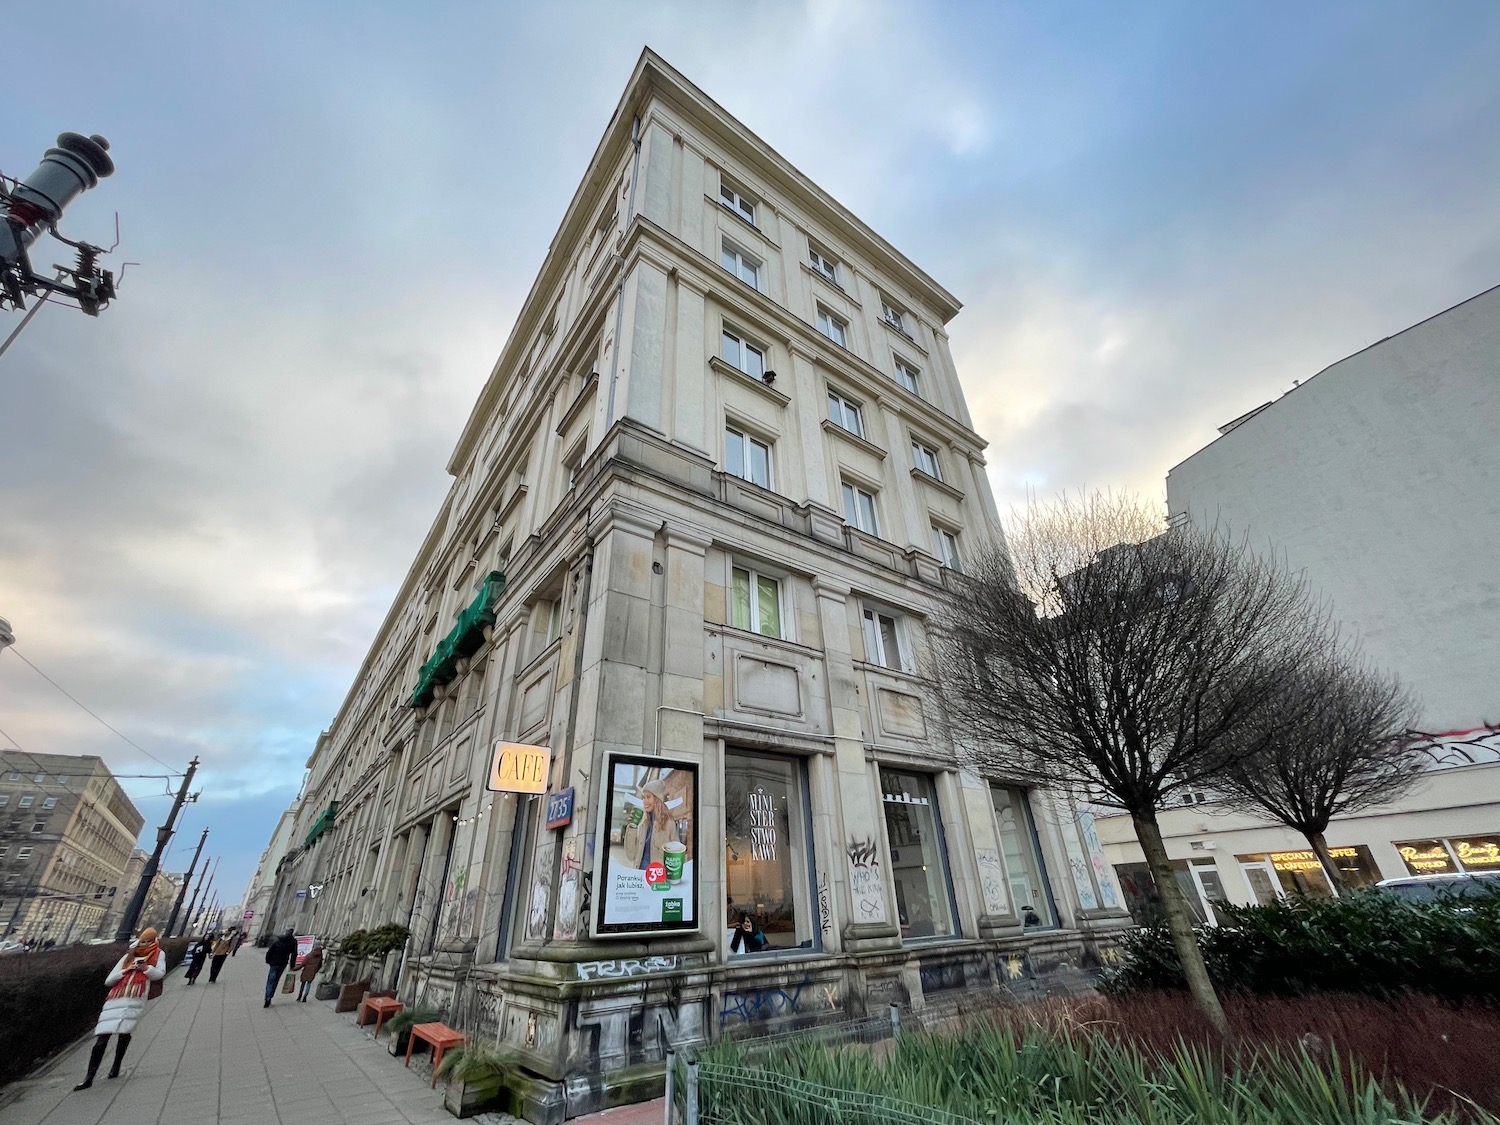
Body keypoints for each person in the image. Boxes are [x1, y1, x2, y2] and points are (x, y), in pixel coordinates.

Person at [74, 927, 165, 1090]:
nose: (144, 944)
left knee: (124, 1033)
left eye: (148, 941)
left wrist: (146, 969)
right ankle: (89, 1077)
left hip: (135, 997)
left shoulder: (159, 954)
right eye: (142, 940)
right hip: (116, 997)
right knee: (102, 1038)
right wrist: (126, 970)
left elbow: (159, 974)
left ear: (154, 941)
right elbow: (109, 980)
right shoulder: (128, 956)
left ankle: (116, 1066)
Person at [621, 780, 672, 869]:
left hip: (657, 879)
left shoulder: (669, 824)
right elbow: (630, 855)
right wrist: (632, 827)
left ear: (657, 799)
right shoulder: (642, 823)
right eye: (643, 798)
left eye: (648, 797)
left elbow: (676, 858)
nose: (644, 801)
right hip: (640, 877)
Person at [264, 929, 297, 1007]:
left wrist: (268, 961)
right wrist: (292, 966)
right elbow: (294, 954)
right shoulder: (292, 942)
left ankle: (267, 997)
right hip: (282, 964)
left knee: (270, 981)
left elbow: (270, 952)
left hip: (274, 964)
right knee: (276, 980)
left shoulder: (278, 941)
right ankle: (270, 996)